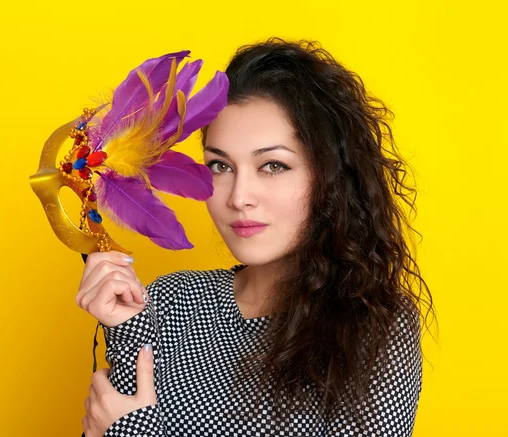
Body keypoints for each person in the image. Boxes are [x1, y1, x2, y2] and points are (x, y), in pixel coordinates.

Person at [75, 37, 435, 437]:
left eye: (274, 166)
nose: (239, 197)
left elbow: (126, 429)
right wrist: (126, 325)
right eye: (220, 165)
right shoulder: (170, 300)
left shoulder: (374, 326)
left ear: (330, 177)